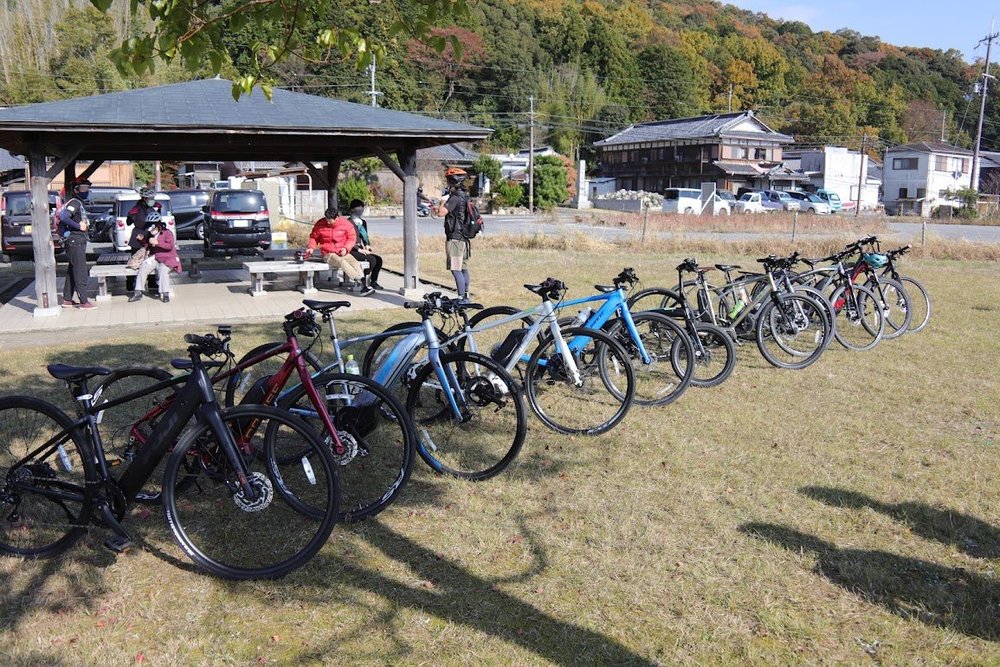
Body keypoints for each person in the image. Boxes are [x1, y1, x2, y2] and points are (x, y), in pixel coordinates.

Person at [304, 207, 373, 296]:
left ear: (337, 218)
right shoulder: (320, 224)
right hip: (328, 253)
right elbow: (314, 237)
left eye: (330, 220)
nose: (328, 222)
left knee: (355, 263)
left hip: (343, 251)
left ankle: (363, 286)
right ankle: (359, 281)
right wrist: (311, 247)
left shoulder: (346, 224)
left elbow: (352, 238)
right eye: (326, 219)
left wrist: (346, 248)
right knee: (342, 262)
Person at [58, 178, 95, 309]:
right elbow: (64, 216)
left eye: (87, 188)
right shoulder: (75, 202)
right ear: (76, 190)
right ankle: (84, 301)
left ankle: (67, 299)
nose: (86, 191)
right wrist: (78, 226)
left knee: (72, 270)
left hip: (76, 240)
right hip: (75, 240)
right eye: (83, 188)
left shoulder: (78, 203)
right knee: (80, 271)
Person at [129, 211, 180, 303]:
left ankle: (165, 293)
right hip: (156, 257)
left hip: (167, 258)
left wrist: (158, 243)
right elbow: (148, 245)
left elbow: (170, 246)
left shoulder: (167, 233)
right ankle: (138, 292)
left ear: (158, 225)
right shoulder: (150, 235)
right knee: (143, 268)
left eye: (152, 227)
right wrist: (142, 240)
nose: (151, 231)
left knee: (162, 270)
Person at [438, 167, 472, 299]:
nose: (447, 183)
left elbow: (441, 213)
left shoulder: (455, 197)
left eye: (448, 180)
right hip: (463, 237)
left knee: (455, 269)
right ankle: (466, 296)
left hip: (455, 237)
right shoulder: (464, 195)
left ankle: (461, 298)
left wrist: (442, 200)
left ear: (453, 181)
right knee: (463, 268)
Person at [347, 198, 384, 290]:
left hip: (361, 249)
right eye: (358, 208)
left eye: (362, 208)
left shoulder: (363, 222)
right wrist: (359, 249)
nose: (360, 210)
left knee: (378, 260)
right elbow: (347, 240)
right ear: (352, 209)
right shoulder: (348, 222)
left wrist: (367, 245)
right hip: (351, 250)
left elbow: (365, 237)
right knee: (372, 260)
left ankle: (373, 281)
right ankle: (363, 280)